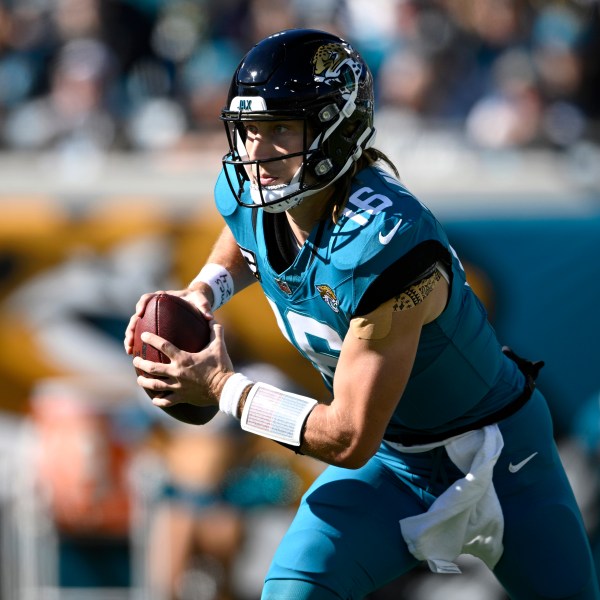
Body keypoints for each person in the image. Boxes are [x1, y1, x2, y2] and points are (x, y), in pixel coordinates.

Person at [124, 28, 599, 600]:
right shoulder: (255, 190)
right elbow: (245, 233)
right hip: (396, 470)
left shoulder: (382, 244)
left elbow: (348, 437)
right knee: (291, 593)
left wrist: (224, 388)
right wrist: (203, 293)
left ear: (335, 128)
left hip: (503, 461)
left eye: (280, 128)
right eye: (248, 129)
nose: (255, 152)